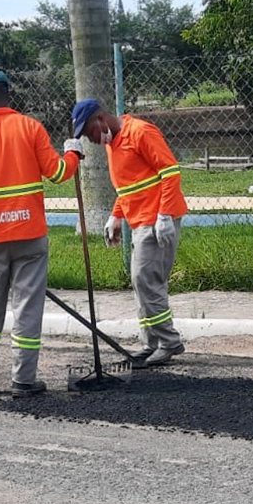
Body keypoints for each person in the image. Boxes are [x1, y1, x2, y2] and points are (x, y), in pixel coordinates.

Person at [0, 69, 82, 397]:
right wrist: (74, 153)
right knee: (27, 309)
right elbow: (59, 172)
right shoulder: (30, 127)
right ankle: (23, 380)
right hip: (29, 236)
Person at [68, 99, 187, 366]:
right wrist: (116, 216)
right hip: (140, 220)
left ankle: (168, 342)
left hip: (156, 220)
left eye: (89, 133)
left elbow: (170, 172)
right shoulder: (114, 143)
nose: (92, 140)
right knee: (141, 282)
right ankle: (151, 342)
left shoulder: (140, 132)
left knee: (145, 280)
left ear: (101, 119)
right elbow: (129, 187)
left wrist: (165, 215)